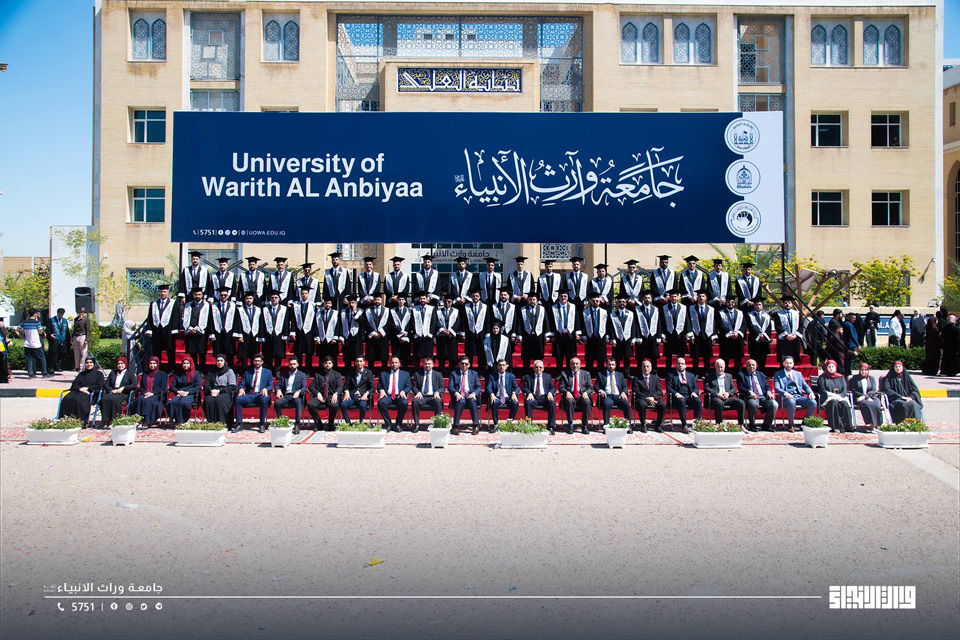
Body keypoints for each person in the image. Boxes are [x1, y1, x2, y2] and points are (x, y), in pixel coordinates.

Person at [773, 356, 816, 432]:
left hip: (798, 396)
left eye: (790, 363)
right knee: (791, 402)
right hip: (785, 397)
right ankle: (791, 425)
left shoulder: (798, 374)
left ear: (793, 364)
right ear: (783, 363)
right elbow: (777, 388)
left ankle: (805, 423)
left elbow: (805, 386)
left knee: (813, 402)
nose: (788, 365)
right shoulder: (778, 374)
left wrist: (811, 393)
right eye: (787, 363)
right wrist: (785, 393)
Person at [233, 354, 273, 432]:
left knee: (264, 399)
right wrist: (241, 389)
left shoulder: (267, 372)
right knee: (238, 399)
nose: (257, 362)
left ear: (262, 362)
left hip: (261, 394)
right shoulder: (248, 372)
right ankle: (239, 424)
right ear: (253, 362)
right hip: (250, 394)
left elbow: (271, 385)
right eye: (255, 361)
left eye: (259, 361)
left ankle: (261, 424)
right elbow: (242, 384)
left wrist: (266, 388)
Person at [58, 356, 104, 423]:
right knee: (67, 398)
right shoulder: (81, 374)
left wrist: (88, 388)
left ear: (94, 363)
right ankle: (66, 419)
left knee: (79, 400)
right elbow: (74, 385)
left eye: (91, 362)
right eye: (87, 362)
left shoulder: (99, 374)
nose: (89, 364)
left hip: (91, 393)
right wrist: (80, 389)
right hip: (78, 391)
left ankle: (81, 421)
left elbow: (100, 386)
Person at [737, 359, 778, 432]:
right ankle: (752, 425)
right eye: (749, 365)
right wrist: (749, 391)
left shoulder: (760, 374)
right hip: (751, 397)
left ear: (756, 366)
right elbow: (740, 387)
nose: (751, 366)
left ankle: (766, 425)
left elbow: (766, 386)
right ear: (746, 366)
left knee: (774, 404)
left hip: (763, 396)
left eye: (753, 365)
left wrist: (768, 391)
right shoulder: (741, 375)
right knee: (753, 404)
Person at [143, 285, 179, 367]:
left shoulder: (173, 303)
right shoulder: (154, 303)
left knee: (170, 350)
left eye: (164, 291)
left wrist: (174, 329)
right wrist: (149, 329)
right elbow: (150, 317)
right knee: (156, 350)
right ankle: (157, 368)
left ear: (168, 292)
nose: (163, 293)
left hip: (168, 330)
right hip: (156, 330)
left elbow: (176, 316)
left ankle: (171, 368)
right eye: (161, 292)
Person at [307, 356, 344, 431]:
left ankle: (330, 423)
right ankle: (318, 424)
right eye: (326, 363)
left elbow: (340, 386)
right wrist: (317, 393)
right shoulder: (318, 374)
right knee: (310, 404)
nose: (327, 365)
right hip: (320, 396)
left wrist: (336, 393)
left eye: (329, 363)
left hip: (331, 395)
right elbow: (311, 386)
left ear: (332, 364)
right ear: (323, 364)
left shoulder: (337, 374)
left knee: (334, 405)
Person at [703, 359, 745, 426]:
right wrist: (717, 394)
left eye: (721, 367)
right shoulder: (709, 376)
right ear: (715, 367)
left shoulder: (729, 376)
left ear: (724, 367)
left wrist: (728, 393)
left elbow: (733, 388)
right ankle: (719, 424)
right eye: (718, 367)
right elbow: (706, 388)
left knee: (741, 402)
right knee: (719, 403)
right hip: (716, 398)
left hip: (727, 397)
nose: (720, 369)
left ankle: (741, 424)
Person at [559, 357, 593, 434]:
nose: (575, 365)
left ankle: (585, 425)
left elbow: (590, 387)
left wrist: (586, 392)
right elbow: (561, 387)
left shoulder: (586, 374)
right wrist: (566, 392)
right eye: (573, 364)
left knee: (587, 402)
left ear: (580, 365)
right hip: (570, 396)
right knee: (569, 401)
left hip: (582, 396)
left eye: (577, 364)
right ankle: (570, 424)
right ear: (570, 365)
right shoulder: (564, 374)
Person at [666, 357, 701, 432]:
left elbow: (695, 387)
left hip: (689, 395)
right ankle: (684, 425)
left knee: (698, 401)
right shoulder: (671, 375)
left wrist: (694, 392)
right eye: (678, 364)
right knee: (681, 401)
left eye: (682, 364)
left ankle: (697, 423)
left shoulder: (691, 375)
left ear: (685, 366)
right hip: (677, 397)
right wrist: (676, 394)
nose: (680, 365)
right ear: (675, 365)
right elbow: (668, 388)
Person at [129, 357, 167, 427]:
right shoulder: (145, 374)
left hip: (156, 394)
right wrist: (144, 392)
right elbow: (141, 386)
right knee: (139, 400)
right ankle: (138, 419)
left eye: (154, 363)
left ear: (157, 364)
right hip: (145, 393)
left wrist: (152, 393)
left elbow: (163, 387)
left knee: (148, 401)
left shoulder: (162, 374)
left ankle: (147, 421)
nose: (152, 365)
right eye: (150, 363)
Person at [595, 357, 631, 428]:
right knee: (606, 404)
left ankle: (628, 425)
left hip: (618, 396)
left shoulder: (620, 374)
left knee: (626, 404)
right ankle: (606, 426)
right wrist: (601, 390)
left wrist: (624, 392)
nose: (611, 366)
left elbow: (624, 386)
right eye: (609, 364)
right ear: (606, 365)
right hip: (607, 396)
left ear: (615, 365)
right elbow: (596, 386)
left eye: (612, 365)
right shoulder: (600, 374)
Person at [686, 289, 717, 374]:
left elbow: (713, 322)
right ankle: (695, 373)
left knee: (707, 356)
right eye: (699, 296)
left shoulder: (711, 309)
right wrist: (690, 335)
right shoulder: (691, 308)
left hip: (707, 334)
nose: (701, 298)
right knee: (695, 356)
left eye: (703, 296)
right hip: (696, 335)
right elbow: (688, 321)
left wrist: (714, 336)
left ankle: (707, 373)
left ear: (706, 298)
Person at [817, 360, 853, 432]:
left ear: (835, 367)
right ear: (826, 367)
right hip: (828, 398)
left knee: (844, 404)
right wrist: (834, 396)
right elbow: (822, 390)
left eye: (832, 367)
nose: (831, 368)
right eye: (829, 367)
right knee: (834, 402)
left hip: (840, 397)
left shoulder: (841, 377)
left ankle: (847, 426)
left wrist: (839, 396)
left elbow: (844, 390)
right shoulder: (822, 378)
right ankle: (835, 426)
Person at [377, 356, 411, 432]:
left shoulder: (405, 374)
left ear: (399, 364)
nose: (394, 364)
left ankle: (398, 424)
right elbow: (379, 386)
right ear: (390, 364)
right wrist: (381, 390)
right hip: (388, 396)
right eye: (392, 363)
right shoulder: (384, 374)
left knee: (404, 403)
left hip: (399, 396)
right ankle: (388, 424)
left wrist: (404, 391)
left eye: (396, 362)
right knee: (381, 402)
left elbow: (408, 386)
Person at [448, 356, 481, 435]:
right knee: (461, 401)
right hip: (459, 395)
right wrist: (456, 393)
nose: (464, 365)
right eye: (462, 363)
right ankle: (455, 427)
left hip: (470, 394)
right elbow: (450, 387)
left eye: (466, 364)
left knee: (472, 401)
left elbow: (479, 387)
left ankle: (476, 426)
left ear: (469, 365)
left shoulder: (474, 374)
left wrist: (474, 393)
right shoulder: (453, 373)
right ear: (459, 364)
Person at [100, 356, 137, 425]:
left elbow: (134, 385)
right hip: (112, 392)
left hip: (122, 393)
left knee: (114, 400)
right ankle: (105, 420)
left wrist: (123, 388)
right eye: (118, 364)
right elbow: (106, 384)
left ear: (125, 364)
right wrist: (111, 390)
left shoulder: (130, 373)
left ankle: (114, 419)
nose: (120, 365)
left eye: (122, 363)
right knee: (104, 399)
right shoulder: (113, 373)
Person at [523, 360, 557, 434]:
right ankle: (528, 425)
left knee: (552, 403)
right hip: (533, 397)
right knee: (528, 402)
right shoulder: (528, 377)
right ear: (533, 368)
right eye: (536, 367)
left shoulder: (547, 376)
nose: (538, 369)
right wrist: (529, 393)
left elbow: (553, 387)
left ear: (543, 368)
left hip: (545, 398)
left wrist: (550, 392)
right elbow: (524, 387)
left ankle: (551, 426)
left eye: (540, 367)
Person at [202, 354, 237, 426]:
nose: (219, 362)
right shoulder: (212, 372)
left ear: (224, 362)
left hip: (225, 391)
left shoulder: (229, 371)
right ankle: (211, 423)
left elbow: (232, 386)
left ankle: (223, 423)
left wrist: (219, 391)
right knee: (208, 400)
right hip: (213, 391)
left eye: (221, 360)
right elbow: (206, 384)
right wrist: (211, 391)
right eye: (218, 361)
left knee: (219, 400)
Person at [632, 359, 665, 432]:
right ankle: (643, 425)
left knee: (662, 405)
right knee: (642, 405)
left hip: (654, 398)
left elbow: (659, 390)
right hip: (642, 398)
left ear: (651, 368)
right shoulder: (636, 378)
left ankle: (658, 425)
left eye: (647, 366)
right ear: (641, 368)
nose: (646, 368)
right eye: (644, 366)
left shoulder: (655, 378)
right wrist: (647, 398)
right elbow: (636, 391)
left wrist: (653, 397)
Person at [549, 288, 579, 371]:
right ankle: (559, 373)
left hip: (570, 334)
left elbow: (577, 320)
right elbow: (551, 322)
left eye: (565, 296)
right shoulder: (554, 308)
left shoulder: (573, 307)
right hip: (559, 335)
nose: (563, 297)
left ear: (568, 297)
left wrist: (577, 333)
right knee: (559, 356)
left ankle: (569, 373)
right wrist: (552, 335)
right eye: (561, 296)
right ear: (558, 297)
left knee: (570, 356)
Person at [275, 356, 308, 430]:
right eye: (290, 364)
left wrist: (299, 392)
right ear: (288, 364)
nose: (292, 366)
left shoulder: (302, 375)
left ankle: (297, 424)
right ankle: (282, 421)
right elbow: (277, 385)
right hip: (286, 395)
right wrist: (278, 390)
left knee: (298, 402)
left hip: (296, 396)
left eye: (294, 364)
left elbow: (304, 387)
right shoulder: (284, 375)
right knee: (277, 402)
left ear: (297, 364)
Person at [411, 356, 444, 431]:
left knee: (438, 401)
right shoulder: (417, 374)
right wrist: (418, 392)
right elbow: (414, 387)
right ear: (423, 365)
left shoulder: (438, 374)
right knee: (415, 401)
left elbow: (442, 387)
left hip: (433, 397)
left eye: (429, 364)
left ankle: (438, 423)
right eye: (425, 364)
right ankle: (416, 424)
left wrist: (437, 392)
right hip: (422, 397)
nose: (427, 365)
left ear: (433, 365)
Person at [182, 287, 211, 371]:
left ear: (202, 295)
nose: (197, 296)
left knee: (202, 353)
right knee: (192, 353)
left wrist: (198, 328)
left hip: (202, 333)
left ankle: (202, 371)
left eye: (199, 294)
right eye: (195, 294)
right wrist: (190, 328)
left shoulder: (207, 305)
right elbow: (185, 318)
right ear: (193, 295)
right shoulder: (188, 305)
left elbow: (209, 319)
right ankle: (193, 370)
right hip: (191, 332)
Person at [487, 359, 520, 431]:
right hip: (497, 396)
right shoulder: (492, 376)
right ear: (497, 366)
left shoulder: (511, 376)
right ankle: (496, 424)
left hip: (508, 397)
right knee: (494, 402)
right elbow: (488, 387)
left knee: (515, 403)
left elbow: (517, 387)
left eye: (503, 365)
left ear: (506, 366)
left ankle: (509, 423)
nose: (502, 367)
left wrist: (514, 393)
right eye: (500, 365)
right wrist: (492, 394)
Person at [210, 286, 239, 368]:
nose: (223, 296)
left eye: (225, 295)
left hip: (229, 333)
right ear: (219, 296)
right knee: (219, 354)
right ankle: (218, 370)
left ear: (228, 295)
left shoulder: (233, 306)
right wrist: (212, 334)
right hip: (218, 332)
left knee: (230, 354)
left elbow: (237, 320)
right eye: (221, 295)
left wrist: (236, 333)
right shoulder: (214, 306)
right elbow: (210, 321)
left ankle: (230, 370)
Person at [609, 293, 638, 373]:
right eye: (620, 302)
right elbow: (611, 328)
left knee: (627, 357)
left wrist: (633, 338)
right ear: (617, 303)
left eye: (623, 302)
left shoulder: (630, 314)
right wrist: (612, 339)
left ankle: (627, 372)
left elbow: (633, 326)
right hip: (617, 338)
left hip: (627, 338)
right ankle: (617, 372)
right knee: (617, 357)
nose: (622, 303)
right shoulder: (613, 314)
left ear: (626, 303)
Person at [341, 356, 375, 425]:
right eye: (357, 361)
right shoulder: (350, 372)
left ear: (364, 362)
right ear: (355, 363)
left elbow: (372, 387)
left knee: (362, 405)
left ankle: (361, 422)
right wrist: (346, 392)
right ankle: (348, 423)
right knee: (343, 405)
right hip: (352, 396)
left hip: (362, 397)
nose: (359, 363)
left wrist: (366, 394)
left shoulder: (368, 372)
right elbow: (346, 385)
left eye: (360, 361)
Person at [290, 285, 317, 370]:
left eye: (306, 293)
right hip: (299, 331)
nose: (304, 295)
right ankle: (299, 370)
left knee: (309, 352)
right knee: (299, 352)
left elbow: (315, 321)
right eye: (303, 293)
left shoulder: (313, 305)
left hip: (309, 332)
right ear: (300, 294)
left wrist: (315, 334)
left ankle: (308, 370)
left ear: (308, 294)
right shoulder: (296, 305)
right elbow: (293, 319)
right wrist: (293, 332)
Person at [169, 356, 202, 427]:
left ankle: (182, 420)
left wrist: (187, 392)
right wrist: (178, 391)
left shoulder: (196, 373)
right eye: (184, 363)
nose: (185, 365)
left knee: (183, 402)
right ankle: (174, 420)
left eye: (187, 363)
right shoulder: (178, 374)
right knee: (171, 402)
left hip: (190, 394)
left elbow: (198, 386)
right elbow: (172, 386)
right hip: (179, 393)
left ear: (191, 364)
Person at [518, 293, 547, 371]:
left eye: (534, 299)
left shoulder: (542, 309)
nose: (532, 301)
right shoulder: (523, 309)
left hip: (538, 335)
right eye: (530, 299)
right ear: (527, 300)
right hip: (527, 336)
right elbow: (519, 323)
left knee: (538, 356)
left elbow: (546, 322)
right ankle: (526, 373)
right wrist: (519, 335)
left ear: (536, 300)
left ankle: (538, 373)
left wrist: (547, 335)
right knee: (526, 357)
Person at [262, 292, 290, 373]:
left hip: (279, 335)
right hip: (268, 334)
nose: (274, 299)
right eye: (272, 297)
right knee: (268, 355)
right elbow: (262, 323)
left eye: (276, 297)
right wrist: (262, 335)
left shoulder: (283, 309)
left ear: (279, 299)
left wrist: (285, 335)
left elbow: (286, 322)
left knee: (278, 355)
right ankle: (269, 372)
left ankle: (277, 372)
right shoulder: (265, 309)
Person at [661, 289, 688, 372]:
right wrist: (663, 335)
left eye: (675, 296)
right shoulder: (664, 308)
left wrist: (688, 335)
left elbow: (687, 321)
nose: (673, 298)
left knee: (680, 355)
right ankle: (668, 372)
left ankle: (681, 371)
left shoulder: (683, 307)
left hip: (680, 334)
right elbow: (662, 322)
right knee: (668, 355)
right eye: (672, 296)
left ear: (678, 297)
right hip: (669, 334)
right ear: (669, 297)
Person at [581, 294, 610, 372]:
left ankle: (600, 374)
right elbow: (583, 325)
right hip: (590, 337)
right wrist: (584, 336)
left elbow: (607, 325)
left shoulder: (604, 312)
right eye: (593, 301)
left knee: (601, 358)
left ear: (599, 302)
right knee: (589, 359)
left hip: (601, 336)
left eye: (597, 301)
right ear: (590, 301)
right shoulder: (585, 312)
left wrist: (607, 336)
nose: (595, 302)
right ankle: (588, 374)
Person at [849, 363, 883, 428]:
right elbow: (853, 390)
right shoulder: (855, 378)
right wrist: (863, 397)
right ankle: (870, 424)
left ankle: (878, 424)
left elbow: (874, 390)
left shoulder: (871, 378)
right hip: (859, 397)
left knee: (877, 404)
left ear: (868, 370)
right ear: (859, 370)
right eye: (862, 370)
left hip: (871, 397)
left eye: (865, 370)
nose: (864, 371)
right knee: (867, 405)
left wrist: (866, 396)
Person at [717, 295, 745, 373]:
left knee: (738, 360)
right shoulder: (721, 313)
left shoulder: (740, 313)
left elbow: (744, 324)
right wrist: (730, 334)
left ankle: (738, 375)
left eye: (732, 302)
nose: (730, 303)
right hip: (726, 339)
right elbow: (720, 325)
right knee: (725, 360)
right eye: (728, 302)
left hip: (737, 339)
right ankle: (725, 375)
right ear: (725, 302)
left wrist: (738, 333)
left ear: (735, 303)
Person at [635, 291, 661, 373]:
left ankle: (654, 372)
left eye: (649, 298)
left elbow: (658, 323)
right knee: (640, 356)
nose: (647, 299)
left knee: (654, 356)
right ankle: (640, 372)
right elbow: (635, 324)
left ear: (651, 299)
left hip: (653, 335)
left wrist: (659, 336)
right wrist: (637, 337)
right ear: (643, 299)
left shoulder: (656, 309)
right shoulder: (638, 310)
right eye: (645, 298)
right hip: (642, 335)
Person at [237, 292, 265, 369]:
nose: (248, 300)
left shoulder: (258, 309)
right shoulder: (240, 309)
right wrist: (239, 335)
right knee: (244, 355)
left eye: (250, 298)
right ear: (244, 299)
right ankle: (244, 370)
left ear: (253, 299)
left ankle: (254, 369)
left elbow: (261, 323)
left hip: (254, 334)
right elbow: (238, 323)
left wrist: (260, 335)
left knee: (254, 354)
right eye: (247, 298)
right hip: (244, 334)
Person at [434, 293, 461, 374]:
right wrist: (441, 329)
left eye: (449, 301)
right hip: (441, 335)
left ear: (452, 302)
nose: (447, 303)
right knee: (441, 355)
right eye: (445, 301)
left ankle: (451, 373)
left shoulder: (456, 311)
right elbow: (435, 321)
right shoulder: (438, 311)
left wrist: (451, 331)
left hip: (451, 336)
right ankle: (441, 373)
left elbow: (458, 322)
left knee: (452, 356)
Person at [18, 309, 49, 378]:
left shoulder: (24, 322)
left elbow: (16, 330)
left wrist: (22, 337)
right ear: (35, 314)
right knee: (42, 358)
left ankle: (31, 374)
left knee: (29, 358)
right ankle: (44, 373)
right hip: (36, 343)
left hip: (27, 343)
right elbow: (40, 332)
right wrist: (44, 334)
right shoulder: (37, 323)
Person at [772, 297, 804, 365]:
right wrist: (786, 335)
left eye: (789, 303)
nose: (787, 304)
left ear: (792, 304)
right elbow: (777, 326)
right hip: (783, 339)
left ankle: (792, 370)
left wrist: (795, 335)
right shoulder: (778, 314)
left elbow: (801, 325)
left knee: (793, 358)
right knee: (783, 358)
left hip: (794, 339)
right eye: (785, 303)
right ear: (783, 304)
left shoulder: (797, 314)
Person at [410, 291, 438, 367]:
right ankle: (416, 372)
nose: (422, 300)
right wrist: (417, 332)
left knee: (428, 356)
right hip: (417, 336)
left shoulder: (431, 308)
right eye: (421, 298)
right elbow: (412, 321)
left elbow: (433, 322)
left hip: (428, 336)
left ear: (427, 299)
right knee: (416, 356)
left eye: (424, 298)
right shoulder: (414, 309)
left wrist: (429, 333)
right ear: (419, 299)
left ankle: (428, 371)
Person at [363, 293, 391, 371]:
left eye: (378, 299)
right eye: (375, 299)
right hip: (372, 336)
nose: (377, 301)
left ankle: (384, 372)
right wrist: (373, 332)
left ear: (381, 300)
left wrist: (381, 332)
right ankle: (371, 372)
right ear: (373, 300)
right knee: (371, 356)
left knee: (383, 356)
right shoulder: (367, 310)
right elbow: (366, 323)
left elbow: (389, 322)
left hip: (383, 336)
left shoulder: (387, 310)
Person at [340, 294, 366, 369]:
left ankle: (356, 371)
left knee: (356, 355)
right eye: (350, 303)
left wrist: (355, 312)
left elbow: (362, 321)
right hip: (346, 335)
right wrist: (341, 336)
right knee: (347, 356)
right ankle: (347, 371)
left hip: (357, 336)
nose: (351, 304)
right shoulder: (343, 312)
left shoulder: (360, 311)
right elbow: (340, 324)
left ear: (356, 303)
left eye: (353, 303)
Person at [462, 289, 488, 366]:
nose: (475, 297)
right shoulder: (466, 307)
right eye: (473, 296)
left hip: (481, 333)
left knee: (481, 353)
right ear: (471, 297)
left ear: (479, 297)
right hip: (470, 332)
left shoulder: (485, 307)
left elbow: (487, 321)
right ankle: (469, 370)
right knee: (469, 352)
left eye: (477, 296)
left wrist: (487, 333)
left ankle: (481, 370)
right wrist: (463, 333)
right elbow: (464, 320)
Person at [388, 293, 414, 367]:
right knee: (396, 357)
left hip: (406, 337)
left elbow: (412, 323)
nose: (401, 301)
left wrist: (407, 334)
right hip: (396, 337)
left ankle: (405, 371)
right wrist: (401, 332)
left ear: (405, 301)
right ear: (397, 300)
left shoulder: (409, 311)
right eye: (399, 299)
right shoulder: (392, 311)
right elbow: (391, 324)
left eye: (403, 299)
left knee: (405, 357)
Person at [748, 298, 773, 374]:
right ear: (754, 306)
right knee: (754, 359)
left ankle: (761, 374)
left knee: (763, 359)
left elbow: (769, 328)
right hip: (754, 340)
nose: (758, 306)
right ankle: (753, 374)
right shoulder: (749, 315)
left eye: (760, 304)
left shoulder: (767, 316)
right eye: (756, 305)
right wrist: (759, 335)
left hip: (764, 341)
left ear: (762, 306)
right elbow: (751, 327)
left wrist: (764, 336)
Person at [314, 298, 340, 365]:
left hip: (332, 339)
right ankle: (321, 370)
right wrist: (317, 337)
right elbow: (315, 326)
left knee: (333, 357)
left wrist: (335, 338)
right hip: (322, 338)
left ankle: (334, 370)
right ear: (323, 304)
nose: (327, 304)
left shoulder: (336, 313)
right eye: (326, 303)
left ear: (331, 304)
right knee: (321, 357)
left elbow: (338, 326)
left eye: (329, 303)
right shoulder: (318, 313)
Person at [46, 308, 69, 373]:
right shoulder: (51, 320)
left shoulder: (65, 320)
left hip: (62, 339)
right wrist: (50, 335)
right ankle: (51, 367)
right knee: (53, 353)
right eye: (60, 314)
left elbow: (67, 330)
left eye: (62, 314)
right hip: (54, 339)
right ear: (58, 313)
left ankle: (58, 366)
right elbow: (48, 329)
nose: (61, 315)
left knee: (61, 352)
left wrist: (68, 339)